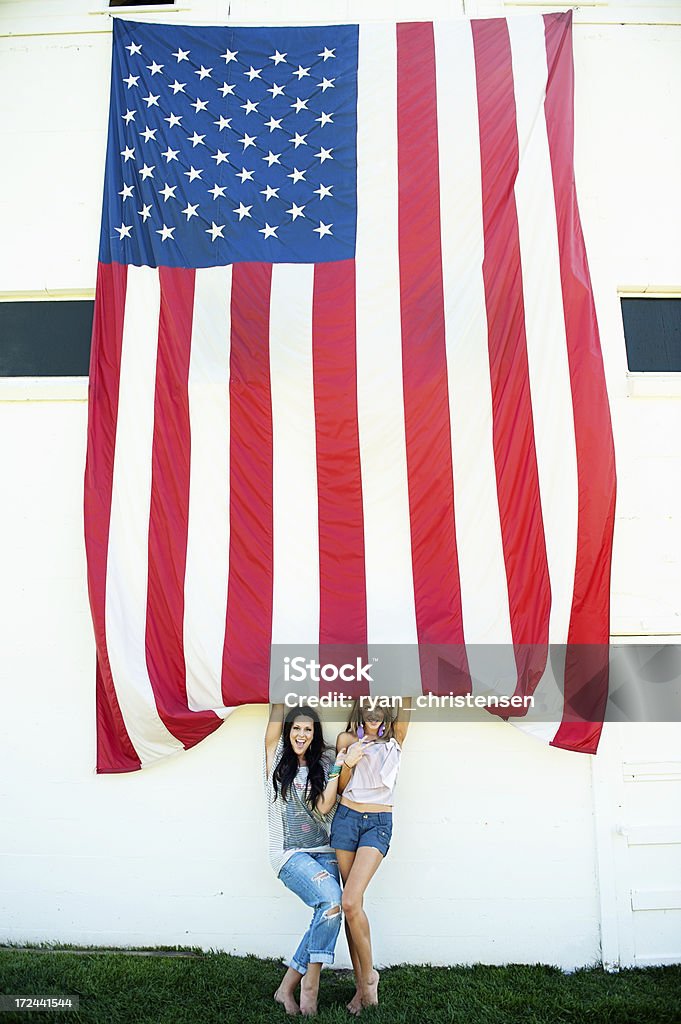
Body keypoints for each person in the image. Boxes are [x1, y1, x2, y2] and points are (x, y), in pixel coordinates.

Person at [264, 703, 346, 1016]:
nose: (301, 734)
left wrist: (339, 762)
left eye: (308, 729)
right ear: (287, 732)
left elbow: (325, 807)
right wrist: (282, 675)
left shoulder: (324, 761)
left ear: (315, 734)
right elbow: (276, 710)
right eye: (296, 728)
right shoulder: (275, 759)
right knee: (331, 902)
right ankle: (310, 984)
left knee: (329, 909)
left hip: (326, 853)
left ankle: (287, 988)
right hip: (289, 853)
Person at [332, 698, 411, 1014]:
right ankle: (360, 985)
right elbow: (339, 788)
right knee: (353, 909)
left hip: (378, 824)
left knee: (350, 901)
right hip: (346, 821)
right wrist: (348, 761)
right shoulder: (346, 739)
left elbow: (410, 695)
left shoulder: (396, 738)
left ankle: (369, 980)